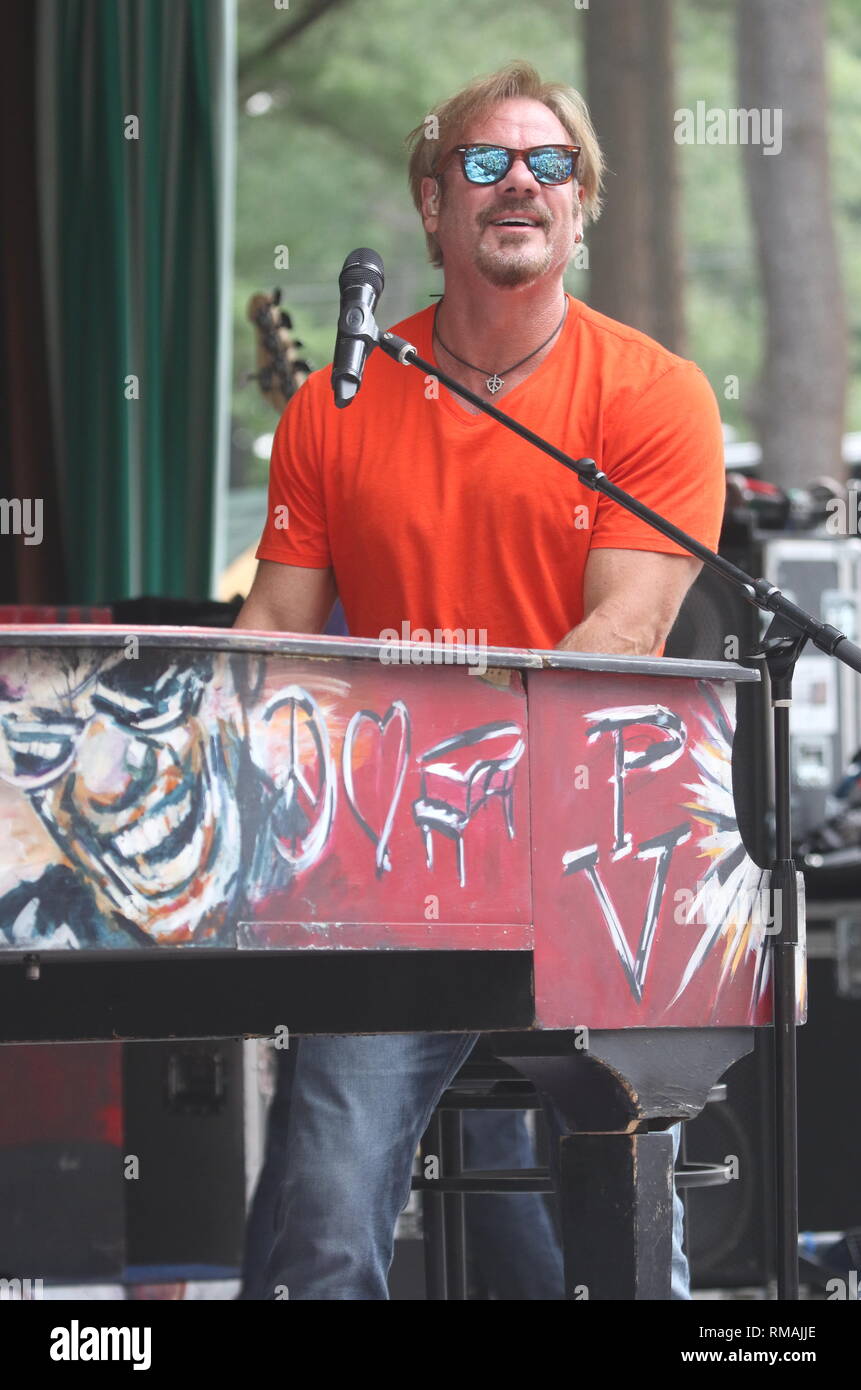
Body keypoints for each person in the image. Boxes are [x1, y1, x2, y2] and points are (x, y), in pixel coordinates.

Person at [235, 59, 725, 1299]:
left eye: (549, 163)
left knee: (624, 1253)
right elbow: (271, 642)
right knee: (327, 1217)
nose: (520, 181)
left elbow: (626, 632)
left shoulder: (653, 393)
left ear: (580, 207)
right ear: (431, 203)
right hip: (388, 866)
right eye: (485, 161)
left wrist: (438, 710)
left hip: (589, 862)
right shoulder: (334, 404)